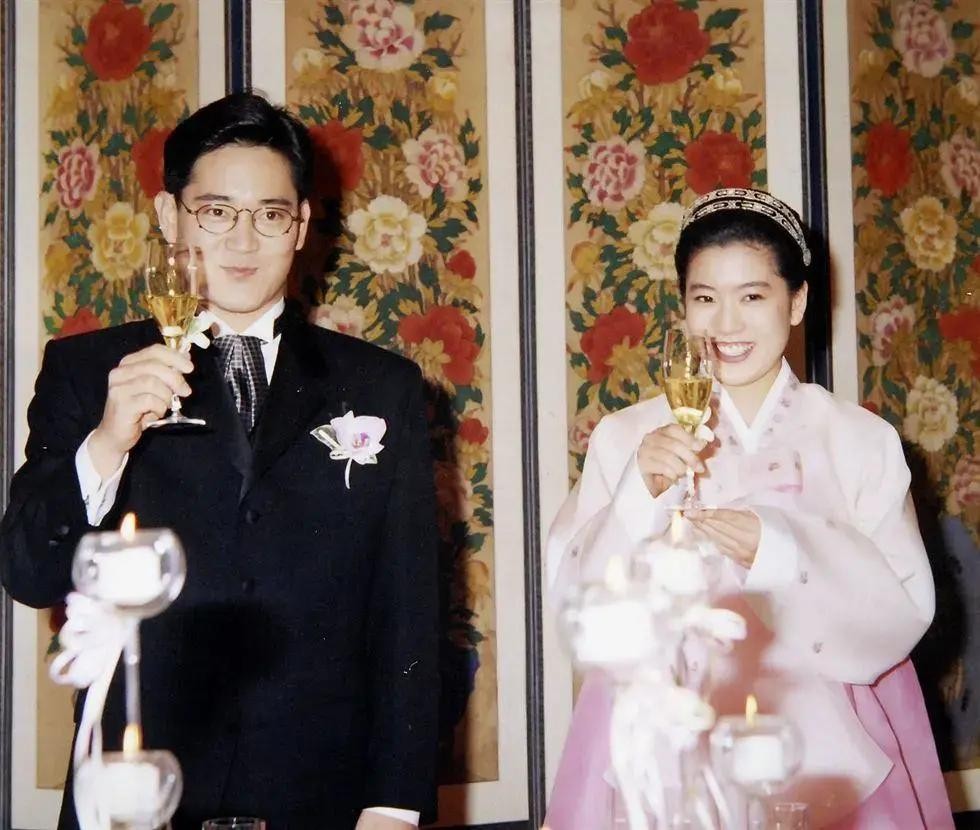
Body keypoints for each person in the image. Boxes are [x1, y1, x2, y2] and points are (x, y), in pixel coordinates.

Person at [0, 93, 438, 830]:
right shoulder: (88, 370)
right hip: (136, 785)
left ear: (301, 226)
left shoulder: (379, 386)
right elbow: (29, 573)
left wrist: (394, 804)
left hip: (320, 791)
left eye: (270, 214)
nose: (242, 240)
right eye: (215, 211)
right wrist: (106, 442)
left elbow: (408, 614)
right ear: (169, 217)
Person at [544, 188, 953, 828]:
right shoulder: (628, 438)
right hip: (663, 747)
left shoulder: (858, 440)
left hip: (827, 740)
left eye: (753, 297)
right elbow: (578, 611)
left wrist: (783, 552)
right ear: (683, 305)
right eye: (705, 298)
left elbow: (905, 610)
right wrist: (636, 495)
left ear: (798, 302)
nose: (726, 325)